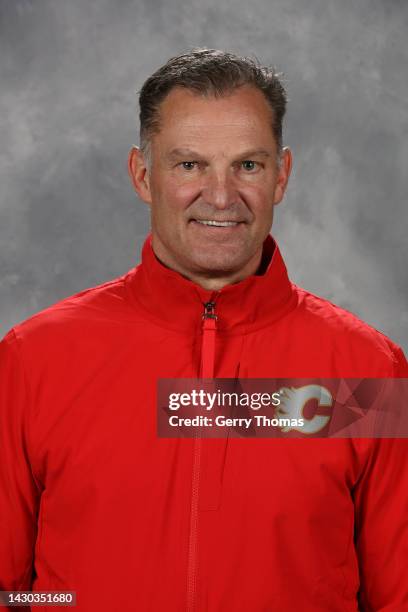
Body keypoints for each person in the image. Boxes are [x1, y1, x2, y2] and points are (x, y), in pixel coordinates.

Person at [0, 48, 407, 612]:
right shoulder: (33, 359)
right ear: (143, 175)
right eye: (189, 165)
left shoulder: (367, 371)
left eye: (248, 165)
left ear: (281, 176)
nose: (221, 196)